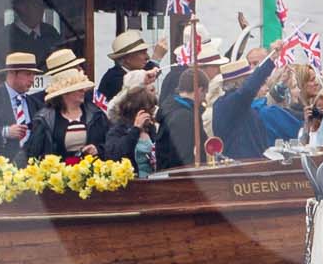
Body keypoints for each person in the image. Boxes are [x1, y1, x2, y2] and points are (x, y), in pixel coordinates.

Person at [213, 53, 302, 160]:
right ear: (241, 82)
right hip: (241, 167)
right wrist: (270, 60)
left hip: (251, 163)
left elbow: (264, 104)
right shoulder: (228, 104)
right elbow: (248, 90)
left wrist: (281, 85)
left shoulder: (239, 105)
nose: (257, 85)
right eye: (249, 79)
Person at [24, 52, 107, 162]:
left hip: (92, 174)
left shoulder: (96, 113)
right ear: (65, 93)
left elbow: (110, 144)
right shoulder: (45, 118)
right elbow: (33, 152)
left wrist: (98, 150)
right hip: (57, 176)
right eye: (78, 88)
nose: (83, 91)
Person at [157, 41, 221, 170]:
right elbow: (184, 157)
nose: (204, 98)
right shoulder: (183, 116)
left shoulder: (177, 109)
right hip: (178, 180)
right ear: (198, 89)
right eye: (205, 93)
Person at [0, 52, 44, 164]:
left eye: (34, 75)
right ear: (12, 73)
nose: (32, 80)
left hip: (31, 170)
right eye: (28, 74)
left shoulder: (35, 104)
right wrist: (5, 132)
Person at [103, 80, 160, 177]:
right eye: (149, 109)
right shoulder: (118, 129)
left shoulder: (150, 128)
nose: (151, 113)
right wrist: (136, 129)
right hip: (133, 182)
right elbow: (115, 155)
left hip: (153, 179)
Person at [96, 29, 157, 107]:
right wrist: (156, 58)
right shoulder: (115, 79)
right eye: (143, 53)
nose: (147, 57)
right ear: (127, 58)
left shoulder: (122, 73)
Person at [3, 0, 62, 67]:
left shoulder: (50, 31)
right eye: (35, 4)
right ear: (21, 7)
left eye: (41, 4)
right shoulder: (5, 36)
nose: (41, 9)